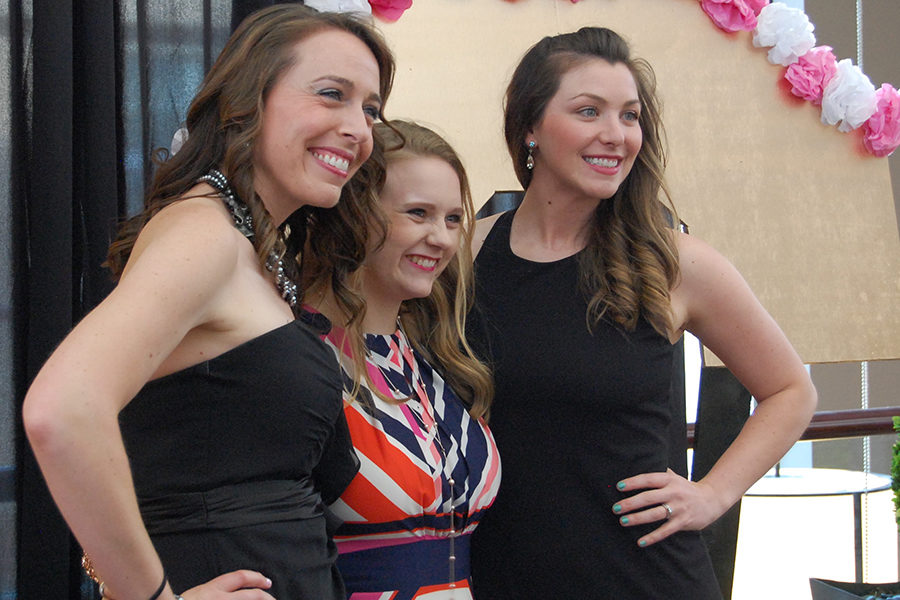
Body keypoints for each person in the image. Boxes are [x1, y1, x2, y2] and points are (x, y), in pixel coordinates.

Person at [22, 5, 395, 600]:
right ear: (248, 101)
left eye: (371, 109)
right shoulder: (205, 234)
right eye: (332, 94)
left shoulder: (254, 245)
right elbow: (62, 410)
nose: (359, 128)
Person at [466, 27, 817, 599]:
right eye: (588, 111)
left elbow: (791, 391)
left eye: (629, 116)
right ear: (529, 126)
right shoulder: (466, 255)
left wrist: (713, 494)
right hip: (500, 576)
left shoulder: (675, 262)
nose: (615, 135)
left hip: (645, 580)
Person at [304, 120, 501, 599]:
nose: (442, 238)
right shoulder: (301, 356)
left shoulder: (438, 360)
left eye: (454, 219)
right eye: (418, 213)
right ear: (355, 216)